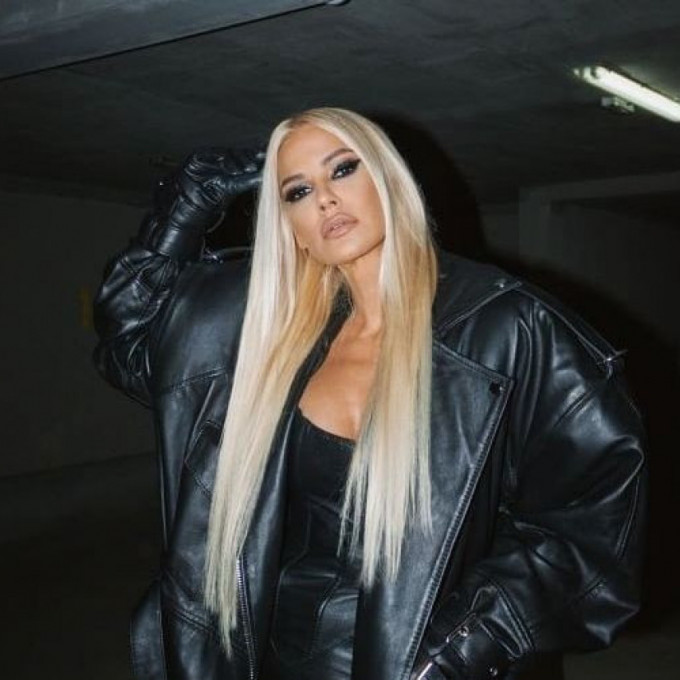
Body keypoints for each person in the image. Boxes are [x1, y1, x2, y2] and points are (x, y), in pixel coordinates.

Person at [93, 107, 647, 680]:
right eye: (298, 191)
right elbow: (129, 343)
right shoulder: (266, 338)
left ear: (388, 177)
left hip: (425, 665)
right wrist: (183, 210)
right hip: (267, 657)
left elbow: (590, 522)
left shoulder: (509, 327)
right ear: (291, 228)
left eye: (343, 169)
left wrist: (464, 647)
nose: (325, 200)